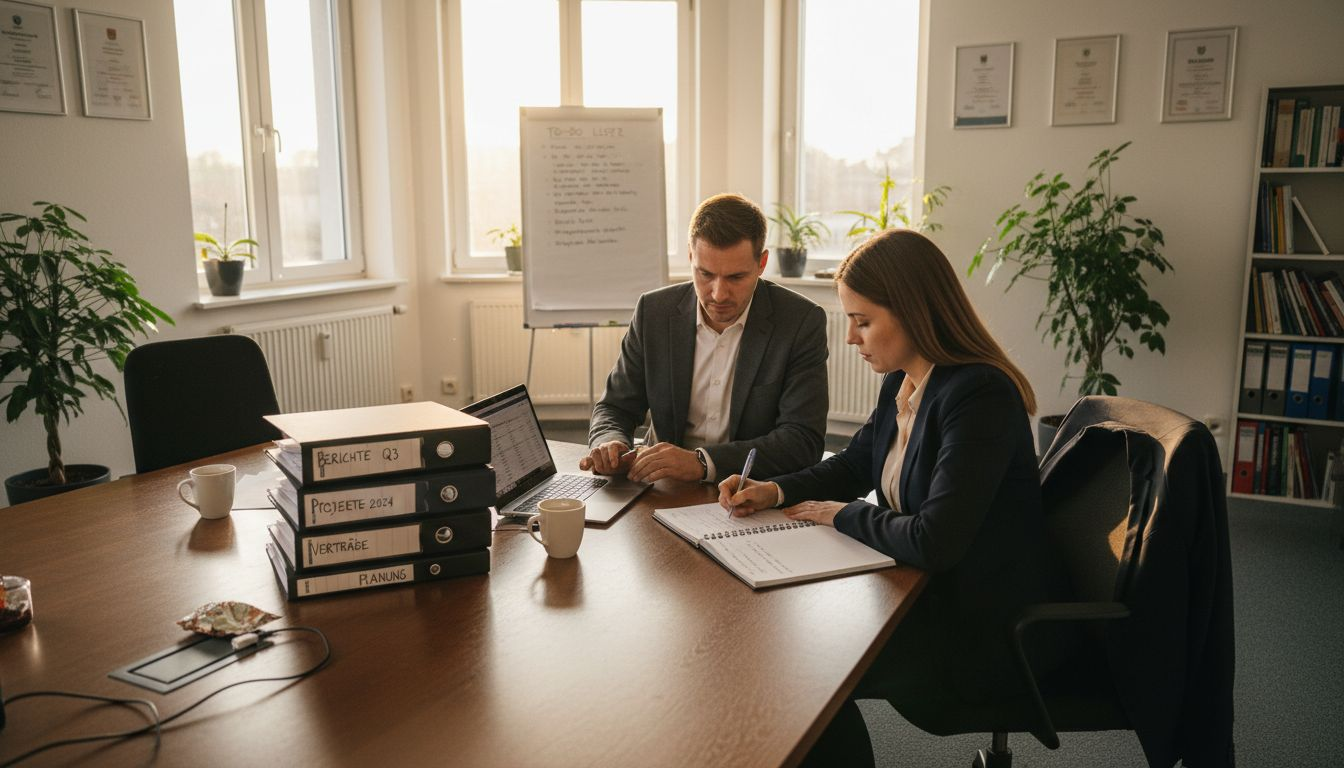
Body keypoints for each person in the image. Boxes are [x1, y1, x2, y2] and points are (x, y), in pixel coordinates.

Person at [718, 228, 1064, 766]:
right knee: (784, 643)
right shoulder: (905, 380)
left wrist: (844, 515)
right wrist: (776, 490)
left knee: (808, 673)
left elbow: (934, 541)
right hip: (919, 591)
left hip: (976, 626)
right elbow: (855, 464)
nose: (851, 338)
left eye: (862, 321)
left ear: (913, 313)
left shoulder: (980, 396)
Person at [581, 193, 829, 484]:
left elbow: (802, 440)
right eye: (705, 274)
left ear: (762, 263)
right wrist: (610, 443)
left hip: (749, 489)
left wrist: (702, 462)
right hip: (662, 486)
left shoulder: (800, 321)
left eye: (736, 277)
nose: (718, 294)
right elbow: (615, 406)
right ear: (690, 256)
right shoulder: (654, 312)